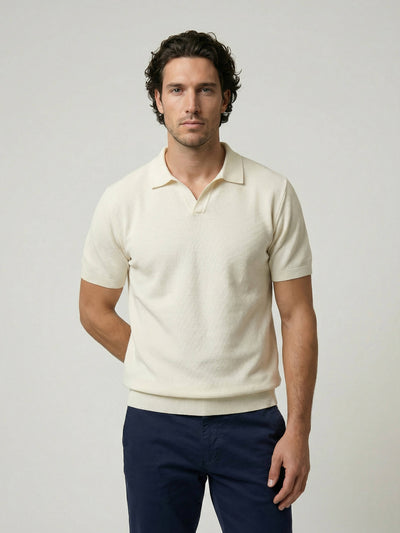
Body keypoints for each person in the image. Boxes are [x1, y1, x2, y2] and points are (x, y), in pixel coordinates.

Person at [79, 29, 318, 533]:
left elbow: (297, 314)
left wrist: (298, 430)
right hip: (155, 426)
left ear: (225, 98)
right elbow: (93, 308)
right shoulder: (123, 200)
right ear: (158, 99)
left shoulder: (271, 193)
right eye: (177, 90)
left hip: (252, 424)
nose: (192, 104)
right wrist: (154, 359)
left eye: (206, 89)